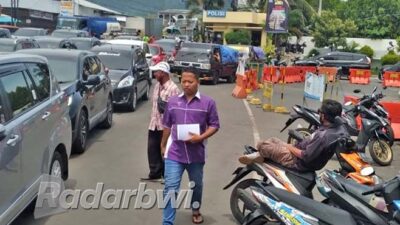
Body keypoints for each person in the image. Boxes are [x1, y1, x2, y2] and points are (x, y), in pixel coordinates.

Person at [161, 67, 220, 225]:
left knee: (196, 185)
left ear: (198, 83)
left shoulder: (208, 103)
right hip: (174, 153)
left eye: (190, 81)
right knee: (170, 187)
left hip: (196, 154)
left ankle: (195, 209)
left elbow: (214, 125)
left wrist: (201, 137)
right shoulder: (173, 102)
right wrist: (163, 144)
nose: (186, 84)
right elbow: (167, 125)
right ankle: (167, 222)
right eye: (183, 81)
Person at [239, 99, 347, 172]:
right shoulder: (336, 129)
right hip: (300, 152)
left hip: (295, 160)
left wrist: (289, 147)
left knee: (262, 145)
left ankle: (258, 155)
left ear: (323, 115)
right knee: (274, 139)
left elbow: (305, 156)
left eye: (320, 112)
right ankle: (259, 155)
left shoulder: (323, 136)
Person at [141, 62, 180, 182]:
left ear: (163, 73)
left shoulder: (173, 89)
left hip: (166, 126)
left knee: (165, 150)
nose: (154, 74)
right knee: (152, 149)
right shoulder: (157, 86)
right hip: (154, 124)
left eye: (156, 71)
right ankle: (155, 173)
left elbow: (175, 111)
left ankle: (167, 176)